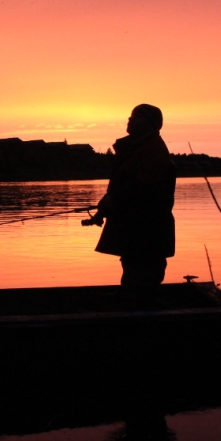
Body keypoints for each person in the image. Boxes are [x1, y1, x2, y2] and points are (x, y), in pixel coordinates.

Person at [84, 104, 176, 305]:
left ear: (150, 124)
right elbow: (121, 184)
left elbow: (142, 187)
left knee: (146, 264)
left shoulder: (153, 149)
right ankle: (129, 297)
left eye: (137, 117)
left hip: (149, 223)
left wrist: (112, 201)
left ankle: (141, 303)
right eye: (131, 115)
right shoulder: (135, 148)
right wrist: (104, 207)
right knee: (131, 261)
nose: (130, 119)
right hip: (133, 220)